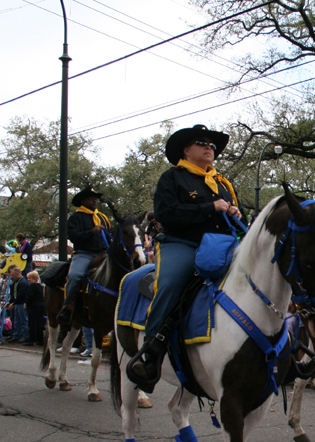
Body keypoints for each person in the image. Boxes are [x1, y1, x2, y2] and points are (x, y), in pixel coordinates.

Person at [128, 124, 242, 389]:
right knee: (170, 283)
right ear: (187, 150)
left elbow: (239, 220)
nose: (209, 148)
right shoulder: (172, 178)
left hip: (222, 246)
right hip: (183, 243)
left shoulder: (223, 184)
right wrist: (209, 207)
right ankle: (151, 351)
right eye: (202, 143)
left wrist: (236, 214)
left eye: (212, 145)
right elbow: (167, 214)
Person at [58, 185, 112, 324]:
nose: (94, 201)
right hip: (84, 254)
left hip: (103, 253)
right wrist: (91, 232)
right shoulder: (75, 218)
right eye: (91, 199)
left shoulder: (102, 218)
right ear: (83, 201)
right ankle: (67, 307)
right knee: (75, 275)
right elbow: (74, 237)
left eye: (95, 199)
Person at [6, 267, 29, 343]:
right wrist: (10, 301)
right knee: (16, 321)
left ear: (17, 274)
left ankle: (25, 336)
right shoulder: (17, 282)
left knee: (23, 320)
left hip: (21, 303)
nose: (12, 277)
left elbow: (21, 295)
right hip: (17, 303)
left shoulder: (23, 283)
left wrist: (13, 303)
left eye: (13, 275)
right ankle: (16, 335)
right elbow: (14, 294)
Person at [24, 271, 45, 346]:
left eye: (30, 278)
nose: (28, 280)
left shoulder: (32, 287)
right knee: (39, 323)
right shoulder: (41, 286)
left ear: (35, 279)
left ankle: (31, 340)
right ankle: (40, 340)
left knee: (32, 323)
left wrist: (26, 303)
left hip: (33, 307)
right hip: (41, 307)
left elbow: (30, 297)